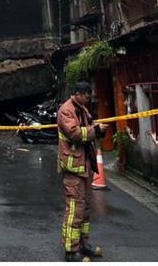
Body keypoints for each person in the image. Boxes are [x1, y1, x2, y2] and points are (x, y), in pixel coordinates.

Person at [58, 81, 107, 262]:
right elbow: (75, 134)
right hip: (73, 167)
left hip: (84, 165)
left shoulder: (83, 109)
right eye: (86, 95)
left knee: (85, 208)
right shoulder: (66, 110)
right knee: (74, 209)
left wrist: (98, 130)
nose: (89, 98)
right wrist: (94, 130)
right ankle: (71, 250)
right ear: (78, 93)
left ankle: (83, 244)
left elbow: (89, 129)